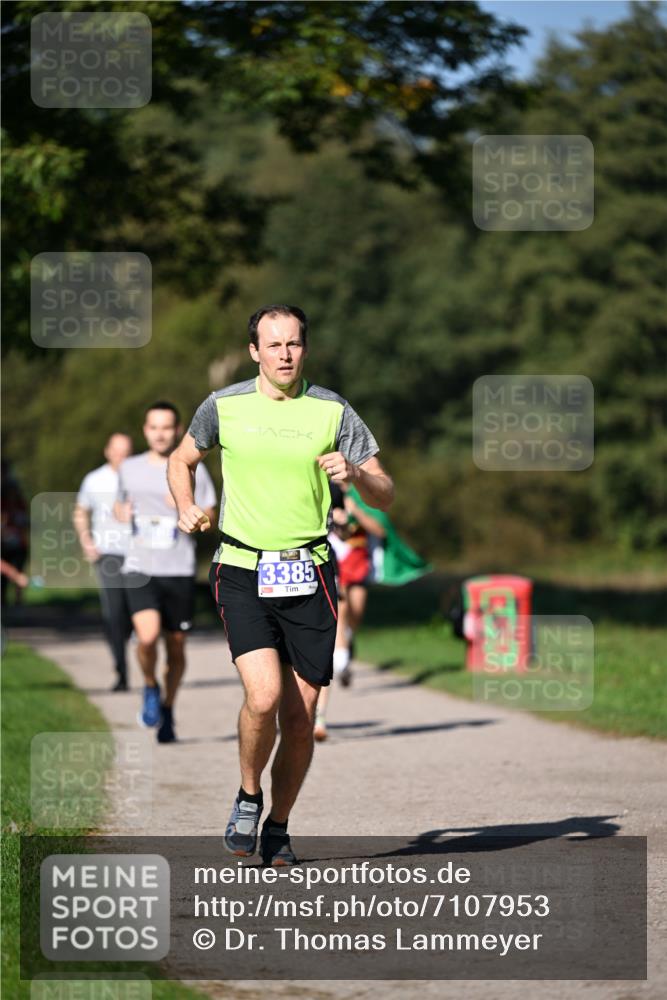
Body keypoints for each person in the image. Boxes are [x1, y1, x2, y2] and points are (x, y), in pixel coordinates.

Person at [168, 304, 393, 866]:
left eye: (293, 344)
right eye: (273, 345)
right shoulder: (223, 406)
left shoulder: (333, 410)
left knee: (301, 718)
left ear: (305, 349)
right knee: (264, 695)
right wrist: (185, 504)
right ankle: (248, 794)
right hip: (242, 567)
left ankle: (280, 825)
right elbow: (181, 458)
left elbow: (386, 491)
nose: (285, 354)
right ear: (254, 352)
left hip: (309, 571)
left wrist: (359, 474)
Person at [115, 402, 216, 743]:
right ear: (145, 431)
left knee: (175, 647)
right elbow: (117, 506)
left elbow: (213, 516)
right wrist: (121, 511)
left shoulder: (192, 468)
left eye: (167, 427)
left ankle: (169, 708)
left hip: (178, 567)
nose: (160, 433)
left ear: (178, 430)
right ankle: (149, 685)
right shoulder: (128, 468)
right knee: (146, 637)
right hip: (139, 566)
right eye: (154, 427)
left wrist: (191, 510)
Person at [74, 433, 134, 691]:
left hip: (137, 553)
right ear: (107, 452)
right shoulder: (94, 479)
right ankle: (121, 671)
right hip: (107, 552)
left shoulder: (139, 477)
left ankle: (138, 652)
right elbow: (80, 511)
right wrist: (87, 540)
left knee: (136, 614)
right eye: (117, 451)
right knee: (113, 614)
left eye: (126, 452)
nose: (122, 457)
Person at [1, 460, 29, 607]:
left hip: (18, 542)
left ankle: (18, 601)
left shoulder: (19, 502)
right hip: (5, 543)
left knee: (19, 567)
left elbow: (25, 519)